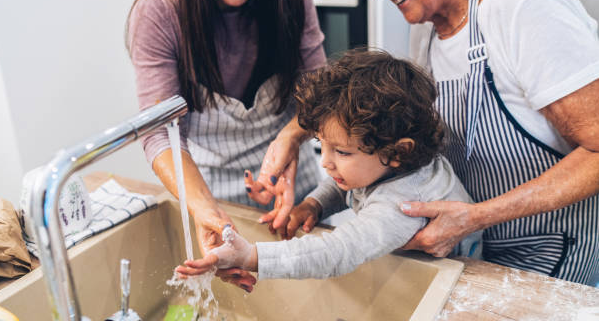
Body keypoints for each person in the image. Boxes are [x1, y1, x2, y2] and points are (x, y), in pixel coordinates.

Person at [343, 0, 599, 284]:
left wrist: (476, 216)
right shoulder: (426, 32)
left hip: (559, 252)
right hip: (475, 253)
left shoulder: (524, 5)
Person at [126, 0, 326, 292]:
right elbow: (160, 136)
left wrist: (290, 139)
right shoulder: (160, 11)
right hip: (210, 191)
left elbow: (319, 96)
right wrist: (207, 213)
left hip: (293, 190)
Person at [176, 50, 482, 280]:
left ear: (398, 152)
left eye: (342, 153)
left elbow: (337, 252)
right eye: (323, 146)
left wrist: (251, 256)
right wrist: (314, 204)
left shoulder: (403, 204)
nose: (326, 163)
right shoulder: (388, 162)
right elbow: (351, 185)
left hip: (456, 278)